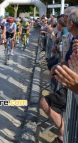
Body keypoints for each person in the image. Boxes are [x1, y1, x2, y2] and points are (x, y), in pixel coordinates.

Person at [40, 8, 78, 143]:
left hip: (73, 86)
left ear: (71, 23)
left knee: (45, 102)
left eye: (67, 17)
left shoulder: (75, 40)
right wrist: (59, 66)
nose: (64, 19)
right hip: (72, 85)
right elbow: (66, 60)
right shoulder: (73, 37)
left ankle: (63, 134)